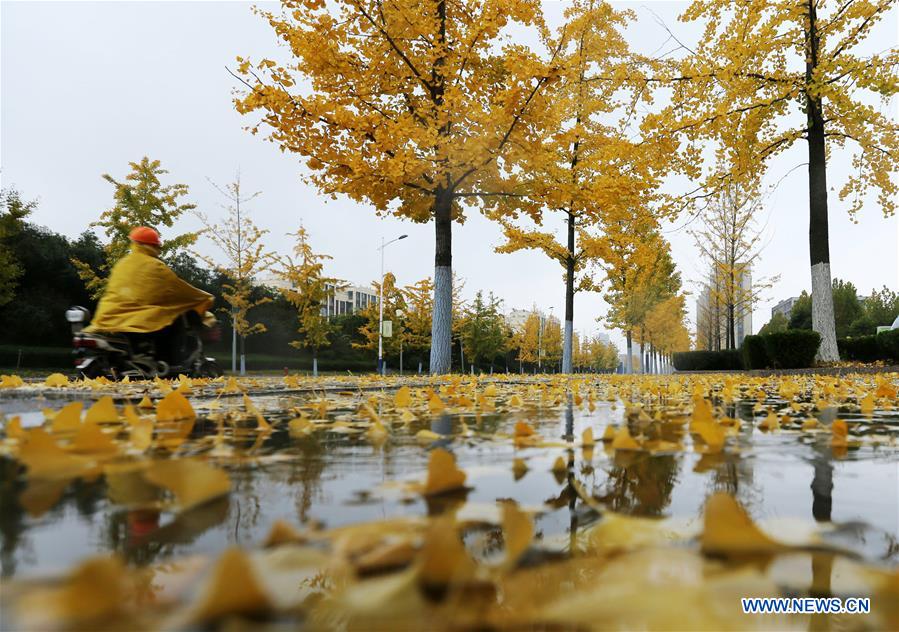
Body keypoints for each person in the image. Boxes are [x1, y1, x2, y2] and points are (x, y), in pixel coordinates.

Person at [86, 226, 215, 363]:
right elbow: (179, 289)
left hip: (108, 318)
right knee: (173, 319)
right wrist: (203, 297)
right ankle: (170, 361)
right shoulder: (156, 266)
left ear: (134, 243)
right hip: (140, 321)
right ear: (155, 246)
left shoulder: (121, 264)